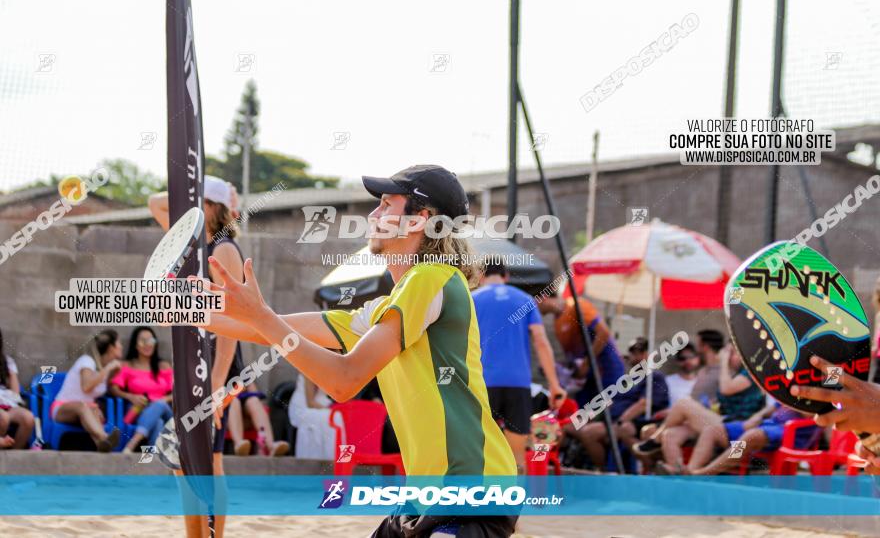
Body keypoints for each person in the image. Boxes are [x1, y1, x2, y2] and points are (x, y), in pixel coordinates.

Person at [202, 164, 518, 537]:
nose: (373, 214)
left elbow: (343, 380)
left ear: (420, 219)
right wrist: (186, 311)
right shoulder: (390, 306)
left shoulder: (430, 277)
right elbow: (270, 326)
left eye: (386, 204)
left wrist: (261, 316)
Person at [148, 175, 244, 538]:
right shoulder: (188, 241)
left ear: (212, 208)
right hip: (194, 364)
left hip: (217, 365)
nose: (188, 208)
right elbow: (154, 203)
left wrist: (217, 383)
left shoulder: (224, 249)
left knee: (208, 461)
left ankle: (210, 536)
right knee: (184, 458)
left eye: (197, 201)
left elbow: (234, 323)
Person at [472, 260, 566, 471]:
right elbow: (541, 341)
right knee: (517, 458)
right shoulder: (525, 300)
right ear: (506, 276)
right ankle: (516, 501)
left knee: (482, 452)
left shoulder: (472, 300)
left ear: (480, 277)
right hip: (518, 384)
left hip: (483, 384)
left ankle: (482, 501)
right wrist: (554, 385)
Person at [634, 345, 766, 473]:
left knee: (683, 403)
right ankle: (678, 472)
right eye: (729, 353)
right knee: (670, 435)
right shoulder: (733, 373)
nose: (730, 357)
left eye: (734, 353)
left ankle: (655, 440)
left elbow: (727, 389)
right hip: (721, 422)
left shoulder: (751, 372)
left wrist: (724, 361)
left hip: (737, 426)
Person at [563, 337, 669, 470]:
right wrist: (583, 417)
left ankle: (603, 474)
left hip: (630, 424)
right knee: (567, 426)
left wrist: (618, 423)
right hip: (609, 422)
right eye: (633, 352)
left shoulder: (655, 377)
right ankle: (557, 465)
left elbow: (643, 404)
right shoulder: (627, 379)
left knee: (588, 433)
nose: (636, 357)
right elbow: (608, 401)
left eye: (640, 352)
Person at [684, 402, 818, 475]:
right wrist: (758, 416)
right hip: (769, 424)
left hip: (792, 432)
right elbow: (774, 405)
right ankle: (690, 471)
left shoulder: (830, 374)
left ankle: (705, 473)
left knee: (751, 436)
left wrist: (795, 396)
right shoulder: (796, 374)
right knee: (712, 430)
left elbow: (811, 414)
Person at [52, 330, 122, 452]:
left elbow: (98, 389)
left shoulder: (101, 368)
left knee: (94, 410)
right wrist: (108, 369)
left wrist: (111, 374)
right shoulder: (87, 361)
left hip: (85, 411)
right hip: (62, 409)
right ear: (111, 347)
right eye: (119, 343)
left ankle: (102, 445)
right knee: (83, 406)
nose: (121, 346)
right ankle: (104, 437)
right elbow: (86, 387)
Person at [109, 326, 174, 453]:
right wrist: (131, 397)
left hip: (166, 410)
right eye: (143, 341)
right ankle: (151, 457)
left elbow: (179, 393)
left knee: (159, 406)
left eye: (151, 341)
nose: (147, 345)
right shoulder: (127, 365)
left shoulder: (164, 366)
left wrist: (164, 399)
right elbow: (113, 389)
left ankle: (132, 444)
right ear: (135, 345)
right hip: (139, 411)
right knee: (158, 423)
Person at [227, 382, 290, 456]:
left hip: (245, 413)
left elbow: (254, 392)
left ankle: (270, 445)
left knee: (253, 400)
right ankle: (238, 443)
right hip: (223, 411)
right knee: (233, 401)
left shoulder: (241, 371)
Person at [0, 327, 34, 449]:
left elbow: (15, 393)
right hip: (3, 412)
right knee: (3, 417)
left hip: (6, 404)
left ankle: (14, 454)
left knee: (28, 418)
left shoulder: (7, 362)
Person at [287, 373, 335, 459]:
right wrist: (333, 410)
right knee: (332, 418)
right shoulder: (309, 370)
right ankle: (324, 458)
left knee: (340, 418)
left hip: (321, 404)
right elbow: (310, 403)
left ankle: (341, 460)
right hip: (303, 407)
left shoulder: (329, 370)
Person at [662, 342, 700, 407]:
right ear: (677, 361)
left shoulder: (704, 381)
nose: (687, 361)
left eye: (691, 357)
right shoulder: (667, 381)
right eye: (682, 358)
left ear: (697, 359)